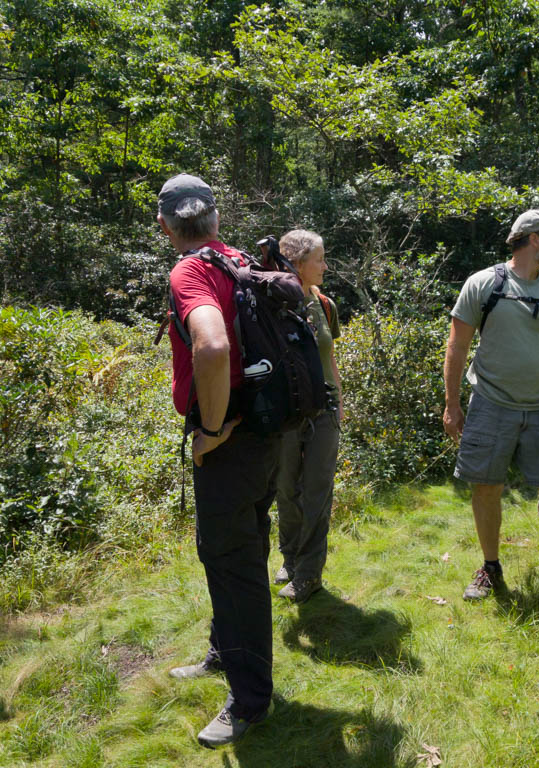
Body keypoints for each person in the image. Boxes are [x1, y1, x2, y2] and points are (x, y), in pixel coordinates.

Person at [158, 174, 278, 748]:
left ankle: (250, 699)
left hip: (228, 436)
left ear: (165, 225)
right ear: (216, 218)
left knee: (232, 562)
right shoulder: (239, 260)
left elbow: (211, 344)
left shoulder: (191, 272)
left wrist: (210, 429)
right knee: (245, 549)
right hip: (265, 429)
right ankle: (224, 649)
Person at [443, 209, 539, 601]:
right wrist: (452, 404)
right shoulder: (484, 284)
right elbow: (457, 345)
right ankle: (490, 567)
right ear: (535, 239)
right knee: (486, 486)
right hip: (490, 403)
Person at [272, 229, 342, 604]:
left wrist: (340, 404)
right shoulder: (270, 305)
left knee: (317, 493)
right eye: (320, 259)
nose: (325, 266)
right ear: (298, 264)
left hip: (324, 410)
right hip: (285, 413)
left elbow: (329, 357)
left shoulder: (324, 304)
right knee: (286, 490)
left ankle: (309, 573)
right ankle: (290, 558)